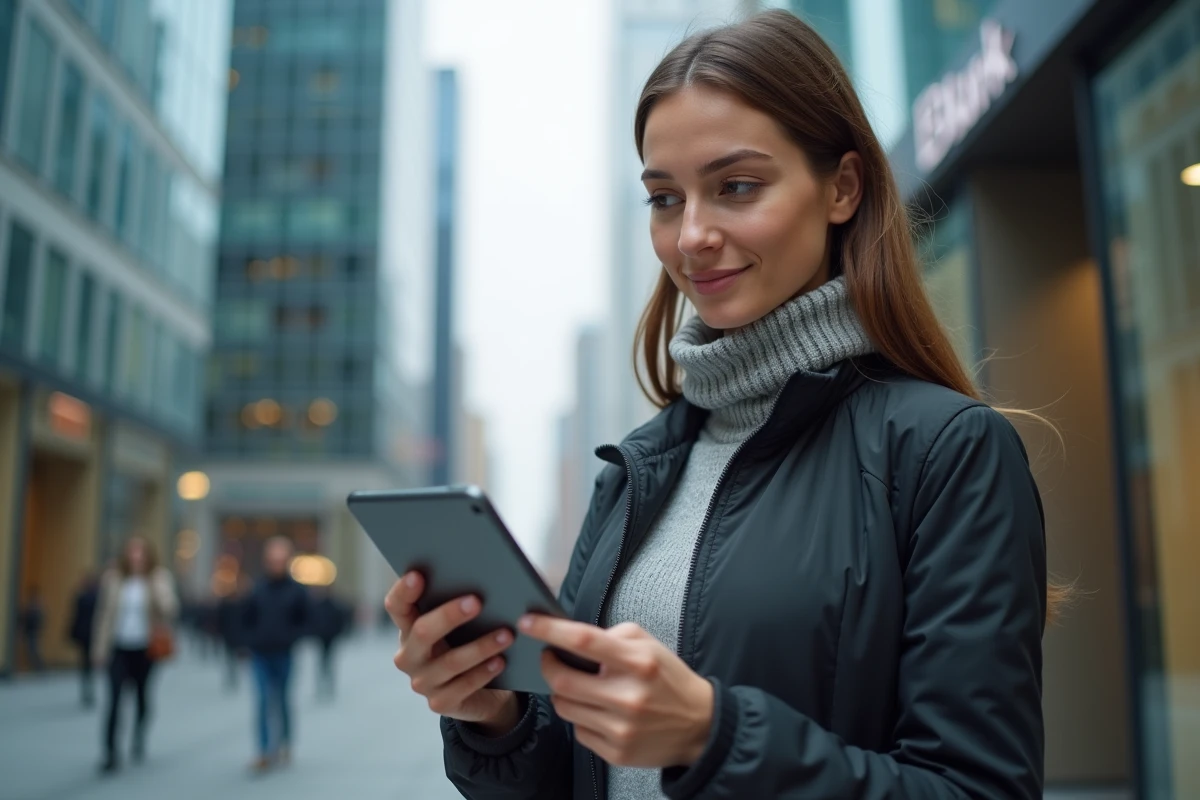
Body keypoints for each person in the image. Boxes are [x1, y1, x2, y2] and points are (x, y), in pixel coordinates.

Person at [385, 10, 1063, 800]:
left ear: (841, 187)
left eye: (736, 186)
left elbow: (979, 790)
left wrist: (716, 737)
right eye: (664, 198)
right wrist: (493, 716)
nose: (691, 235)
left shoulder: (946, 451)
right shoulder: (637, 470)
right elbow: (572, 775)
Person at [92, 537, 178, 773]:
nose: (136, 557)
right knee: (114, 700)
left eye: (141, 553)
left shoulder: (158, 578)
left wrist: (157, 588)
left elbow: (171, 609)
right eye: (132, 552)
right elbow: (104, 616)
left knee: (141, 697)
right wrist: (99, 649)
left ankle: (138, 735)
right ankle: (110, 752)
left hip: (146, 649)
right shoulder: (114, 579)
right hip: (118, 647)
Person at [241, 536, 310, 772]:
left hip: (284, 652)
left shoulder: (296, 590)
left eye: (280, 560)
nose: (276, 564)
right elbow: (246, 618)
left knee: (282, 700)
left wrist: (291, 636)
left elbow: (305, 619)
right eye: (272, 560)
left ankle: (284, 744)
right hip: (260, 653)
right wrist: (249, 641)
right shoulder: (257, 588)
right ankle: (262, 750)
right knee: (261, 701)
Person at [309, 587, 351, 700]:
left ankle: (327, 685)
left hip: (329, 637)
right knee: (324, 662)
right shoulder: (322, 605)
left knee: (326, 662)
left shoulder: (332, 606)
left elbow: (340, 621)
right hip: (324, 637)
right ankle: (324, 685)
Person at [68, 574, 100, 707]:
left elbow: (75, 617)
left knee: (84, 662)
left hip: (83, 635)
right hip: (92, 635)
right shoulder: (97, 599)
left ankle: (86, 689)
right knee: (89, 663)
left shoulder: (81, 598)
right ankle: (89, 689)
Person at [19, 587, 45, 672]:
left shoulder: (35, 608)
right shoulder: (33, 607)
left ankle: (38, 666)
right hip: (30, 630)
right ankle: (37, 665)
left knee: (33, 649)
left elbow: (37, 619)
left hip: (32, 631)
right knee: (32, 649)